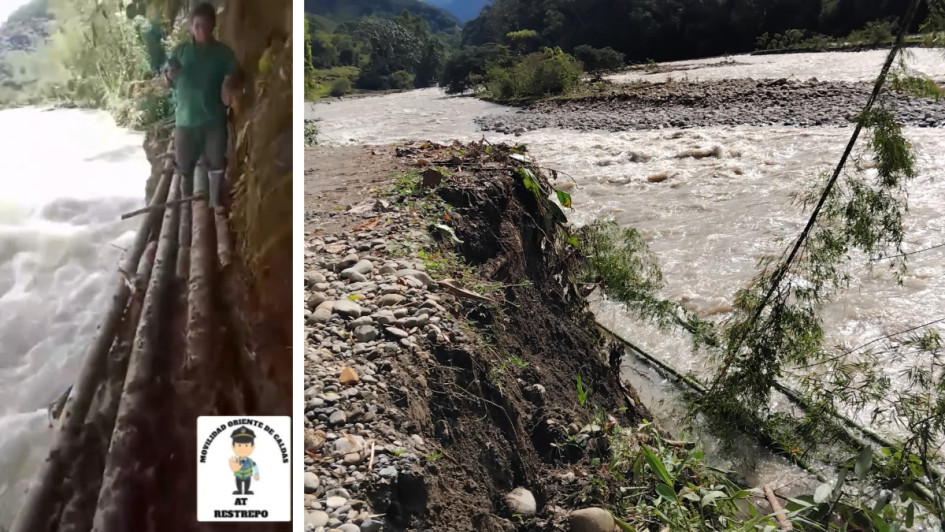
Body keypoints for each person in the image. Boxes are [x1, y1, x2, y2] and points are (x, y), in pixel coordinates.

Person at [163, 2, 241, 210]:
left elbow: (233, 77)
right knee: (184, 165)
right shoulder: (180, 52)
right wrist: (169, 76)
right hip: (185, 120)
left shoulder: (223, 53)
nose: (202, 31)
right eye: (197, 26)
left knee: (216, 162)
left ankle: (215, 202)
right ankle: (188, 202)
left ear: (214, 26)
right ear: (190, 27)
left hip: (213, 118)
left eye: (206, 26)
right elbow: (167, 80)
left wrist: (230, 86)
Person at [229, 426, 260, 495]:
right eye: (239, 445)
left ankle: (246, 491)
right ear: (233, 447)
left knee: (247, 484)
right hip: (238, 476)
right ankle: (239, 491)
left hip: (247, 476)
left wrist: (256, 473)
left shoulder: (250, 461)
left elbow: (254, 466)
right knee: (238, 484)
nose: (242, 449)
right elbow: (233, 467)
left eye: (246, 445)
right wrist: (233, 466)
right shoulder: (235, 460)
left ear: (253, 447)